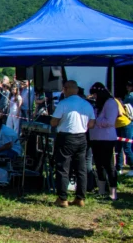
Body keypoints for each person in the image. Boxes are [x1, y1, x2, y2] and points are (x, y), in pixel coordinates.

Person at [51, 80, 96, 208]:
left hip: (66, 137)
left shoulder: (63, 103)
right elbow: (92, 124)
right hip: (82, 137)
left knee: (63, 168)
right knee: (81, 169)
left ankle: (62, 198)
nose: (63, 91)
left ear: (68, 89)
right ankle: (80, 197)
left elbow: (54, 122)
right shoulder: (86, 104)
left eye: (64, 89)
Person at [88, 83, 120, 200]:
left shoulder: (110, 103)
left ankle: (113, 192)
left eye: (95, 94)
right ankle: (101, 190)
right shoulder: (97, 104)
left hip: (107, 138)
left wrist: (96, 121)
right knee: (98, 164)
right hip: (96, 137)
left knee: (109, 165)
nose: (94, 97)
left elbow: (110, 121)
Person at [115, 80, 133, 178]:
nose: (127, 87)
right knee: (121, 147)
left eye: (129, 86)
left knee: (126, 147)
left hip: (125, 123)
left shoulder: (130, 97)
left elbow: (121, 112)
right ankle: (119, 167)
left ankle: (129, 167)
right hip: (122, 123)